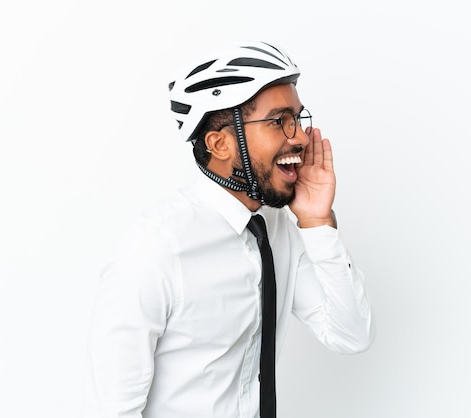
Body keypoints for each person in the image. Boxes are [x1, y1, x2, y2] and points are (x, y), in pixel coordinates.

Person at [83, 40, 374, 418]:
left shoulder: (278, 227)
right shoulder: (155, 248)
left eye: (298, 119)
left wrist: (318, 222)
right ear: (220, 144)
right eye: (278, 121)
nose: (300, 137)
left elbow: (350, 335)